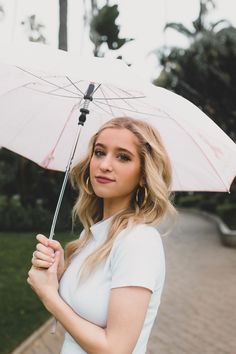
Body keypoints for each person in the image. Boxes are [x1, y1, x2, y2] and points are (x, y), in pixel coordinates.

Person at [27, 116, 176, 354]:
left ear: (143, 175)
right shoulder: (93, 236)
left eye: (123, 157)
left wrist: (48, 297)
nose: (105, 165)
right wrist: (59, 276)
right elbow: (86, 309)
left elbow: (115, 349)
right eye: (99, 152)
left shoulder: (138, 241)